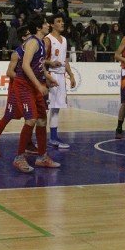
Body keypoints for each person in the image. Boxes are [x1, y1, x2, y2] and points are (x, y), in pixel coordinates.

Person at [12, 15, 60, 173]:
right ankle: (19, 157)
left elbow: (38, 65)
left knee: (41, 120)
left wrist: (47, 77)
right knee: (31, 119)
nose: (48, 25)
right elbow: (25, 66)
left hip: (35, 84)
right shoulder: (32, 41)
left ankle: (42, 157)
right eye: (45, 23)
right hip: (25, 85)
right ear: (39, 27)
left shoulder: (41, 43)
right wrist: (39, 85)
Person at [0, 26, 38, 158]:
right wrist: (24, 78)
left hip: (27, 87)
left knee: (31, 116)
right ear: (23, 38)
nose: (31, 37)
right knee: (8, 116)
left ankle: (27, 142)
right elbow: (9, 72)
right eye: (28, 35)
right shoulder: (17, 52)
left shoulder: (32, 50)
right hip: (16, 88)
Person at [45, 14, 76, 149]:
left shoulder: (64, 39)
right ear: (52, 24)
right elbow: (40, 59)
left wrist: (71, 75)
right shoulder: (48, 40)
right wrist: (50, 63)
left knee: (57, 108)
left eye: (62, 21)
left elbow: (65, 60)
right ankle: (35, 138)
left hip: (61, 76)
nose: (62, 23)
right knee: (45, 108)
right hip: (50, 75)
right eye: (58, 21)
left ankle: (53, 136)